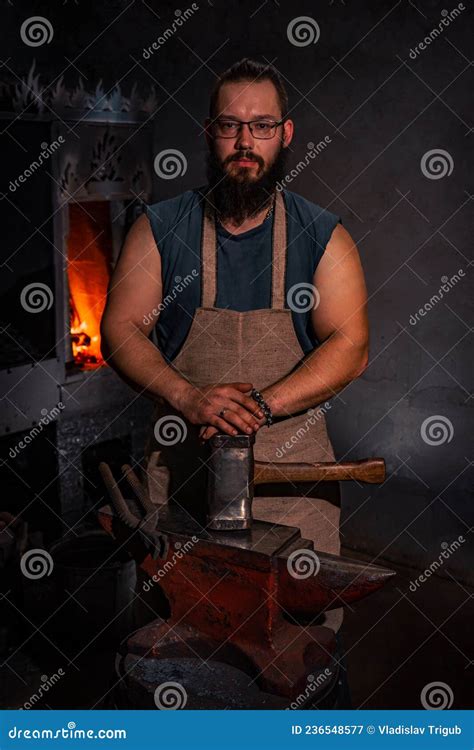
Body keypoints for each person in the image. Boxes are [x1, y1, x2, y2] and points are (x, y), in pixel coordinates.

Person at [101, 58, 368, 707]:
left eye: (262, 125)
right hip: (188, 501)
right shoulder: (161, 230)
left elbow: (351, 344)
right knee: (187, 667)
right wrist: (189, 397)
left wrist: (262, 404)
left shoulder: (322, 237)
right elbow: (119, 330)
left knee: (300, 675)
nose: (246, 141)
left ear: (286, 134)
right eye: (230, 126)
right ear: (208, 133)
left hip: (294, 497)